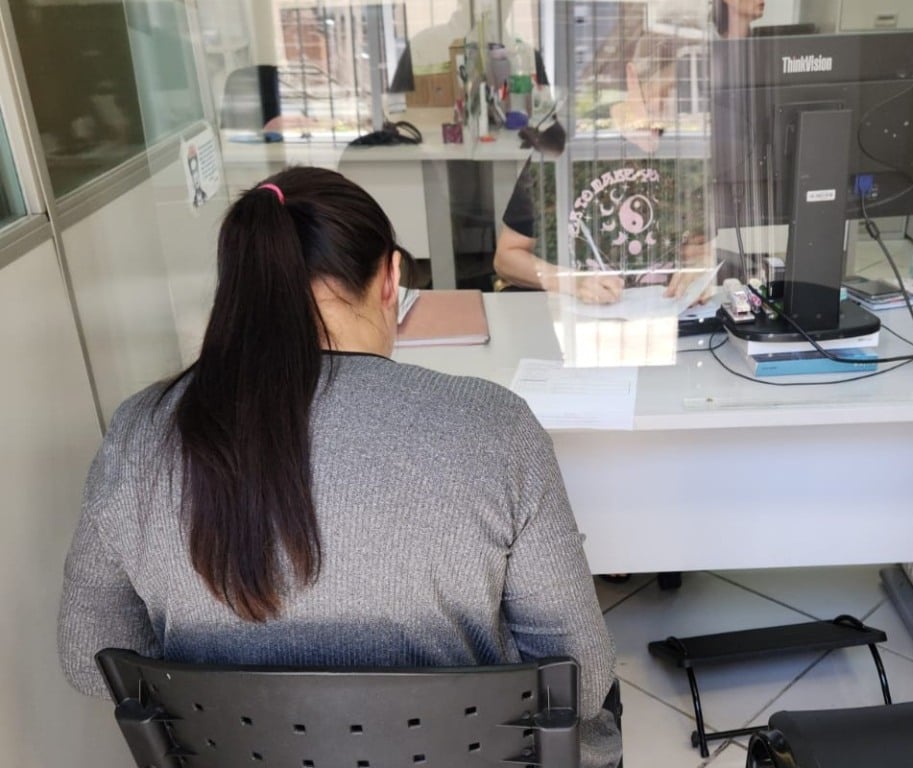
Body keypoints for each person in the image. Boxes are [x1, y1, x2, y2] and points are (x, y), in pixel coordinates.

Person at [56, 166, 622, 768]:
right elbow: (581, 681)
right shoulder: (494, 425)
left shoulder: (139, 431)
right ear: (392, 279)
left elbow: (89, 656)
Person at [494, 33, 715, 305]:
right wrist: (571, 281)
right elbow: (507, 256)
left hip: (661, 314)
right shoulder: (572, 143)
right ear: (633, 77)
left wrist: (701, 267)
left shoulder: (689, 146)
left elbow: (699, 247)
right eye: (663, 91)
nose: (669, 108)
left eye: (681, 96)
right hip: (577, 319)